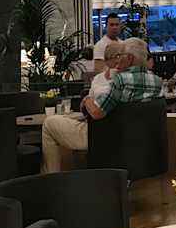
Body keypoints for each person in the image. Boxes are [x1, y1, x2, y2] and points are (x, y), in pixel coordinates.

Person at [42, 37, 162, 173]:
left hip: (103, 136)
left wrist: (87, 100)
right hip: (138, 142)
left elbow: (97, 112)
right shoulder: (156, 82)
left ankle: (52, 177)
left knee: (49, 123)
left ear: (129, 58)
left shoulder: (121, 80)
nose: (118, 60)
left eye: (120, 55)